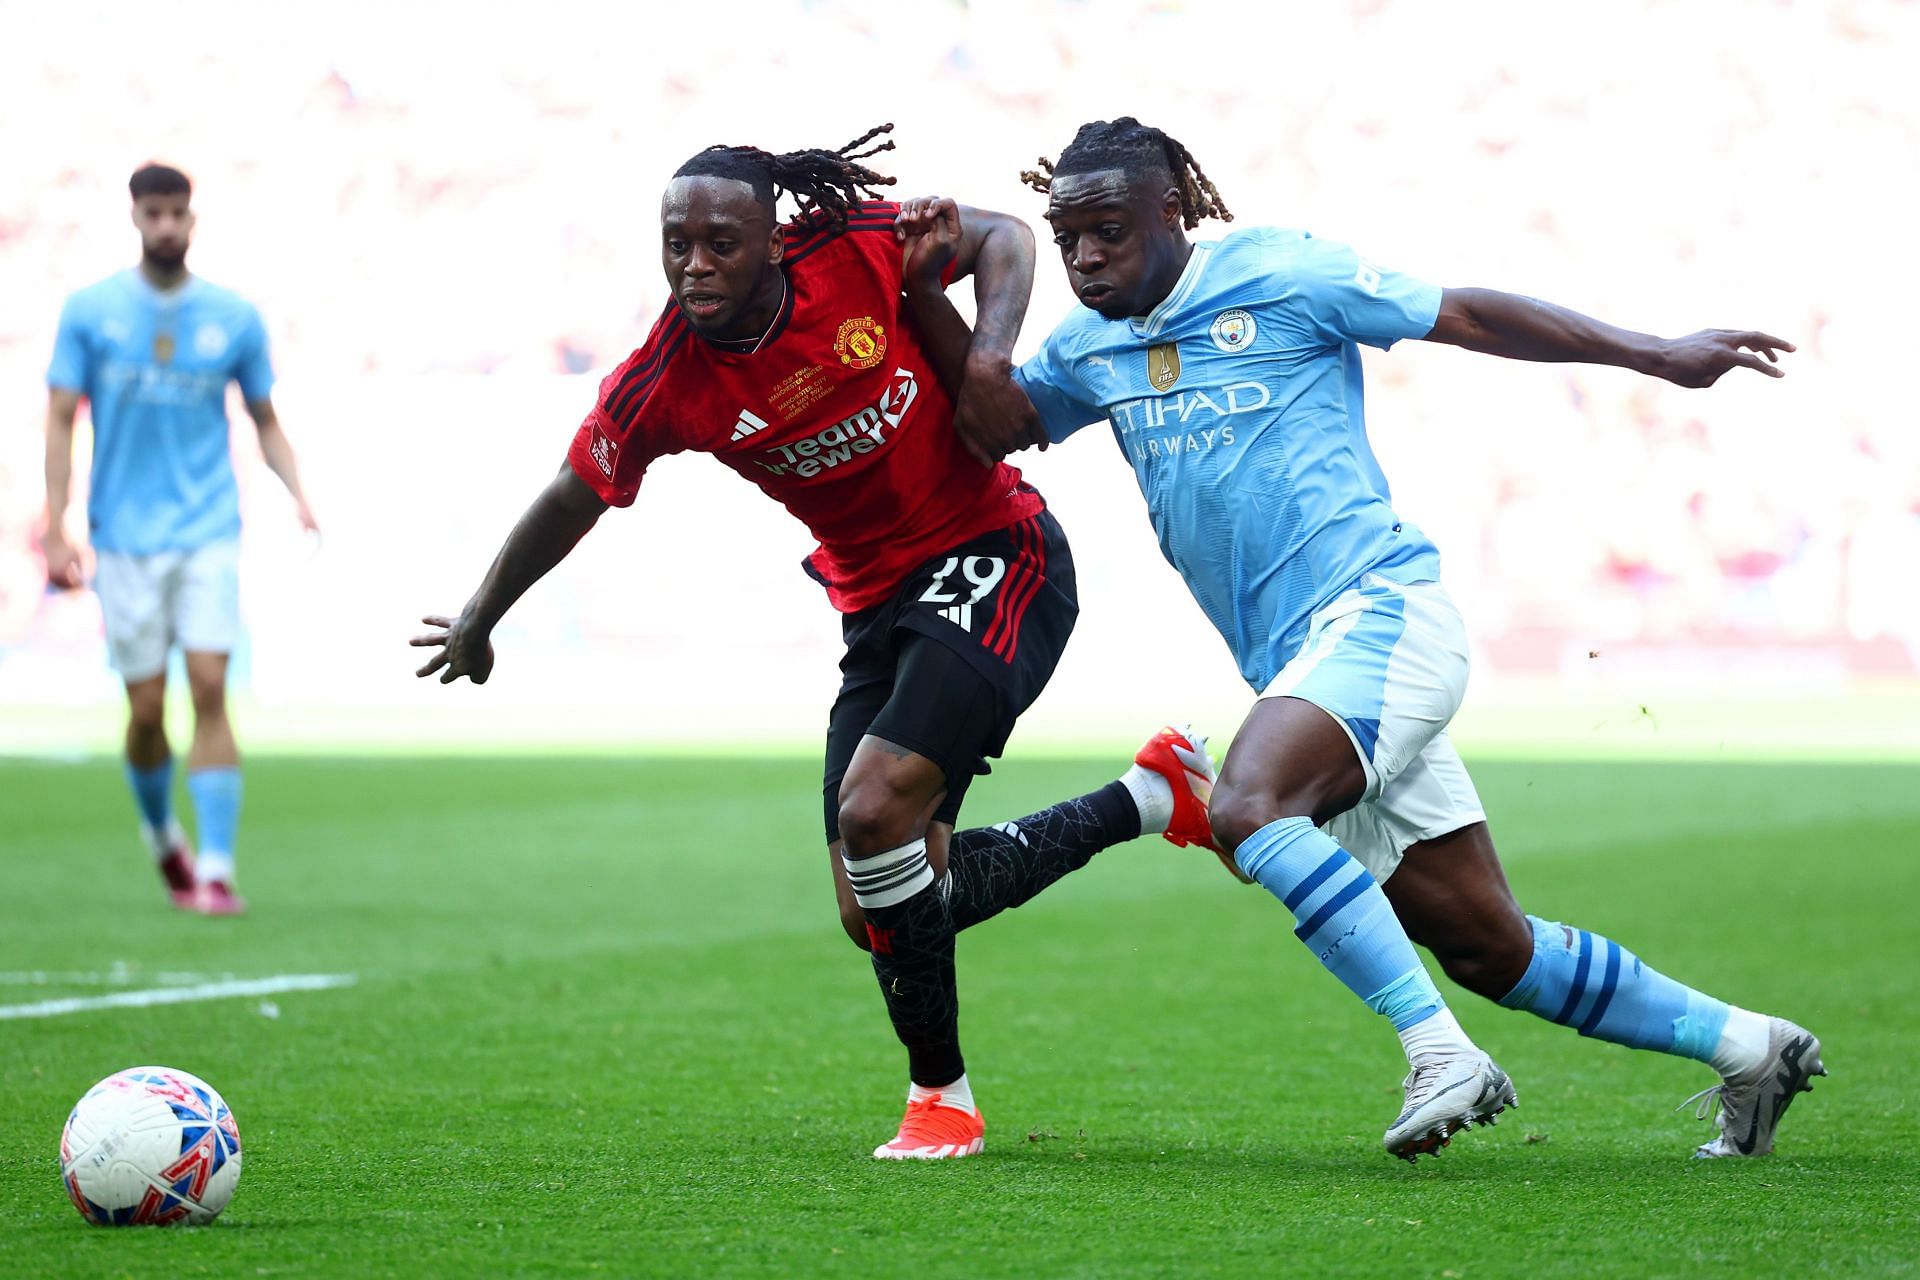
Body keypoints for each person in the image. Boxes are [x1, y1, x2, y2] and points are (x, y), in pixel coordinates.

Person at [931, 115, 1823, 1161]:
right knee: (1494, 946)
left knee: (1247, 802)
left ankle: (1441, 1054)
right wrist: (918, 293)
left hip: (1383, 614)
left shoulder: (1279, 273)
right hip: (1306, 669)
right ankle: (1752, 1045)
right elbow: (991, 421)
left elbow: (1465, 314)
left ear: (1171, 212)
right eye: (1066, 235)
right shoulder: (1090, 346)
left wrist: (1652, 352)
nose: (1083, 257)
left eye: (1108, 230)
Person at [409, 126, 1216, 1161]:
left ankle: (942, 1099)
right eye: (676, 243)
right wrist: (481, 614)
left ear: (771, 237)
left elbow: (1008, 238)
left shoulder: (850, 247)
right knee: (874, 904)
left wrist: (986, 354)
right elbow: (579, 491)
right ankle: (1151, 796)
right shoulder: (668, 377)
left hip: (996, 551)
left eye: (721, 242)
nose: (696, 265)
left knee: (873, 808)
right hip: (876, 602)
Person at [43, 162, 318, 917]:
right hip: (124, 538)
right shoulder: (90, 312)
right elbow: (62, 416)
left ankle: (220, 869)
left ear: (192, 220)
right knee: (144, 710)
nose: (166, 226)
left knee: (208, 686)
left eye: (177, 214)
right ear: (136, 218)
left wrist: (296, 493)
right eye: (153, 213)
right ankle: (165, 838)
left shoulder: (232, 317)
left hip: (207, 531)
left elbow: (262, 417)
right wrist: (56, 521)